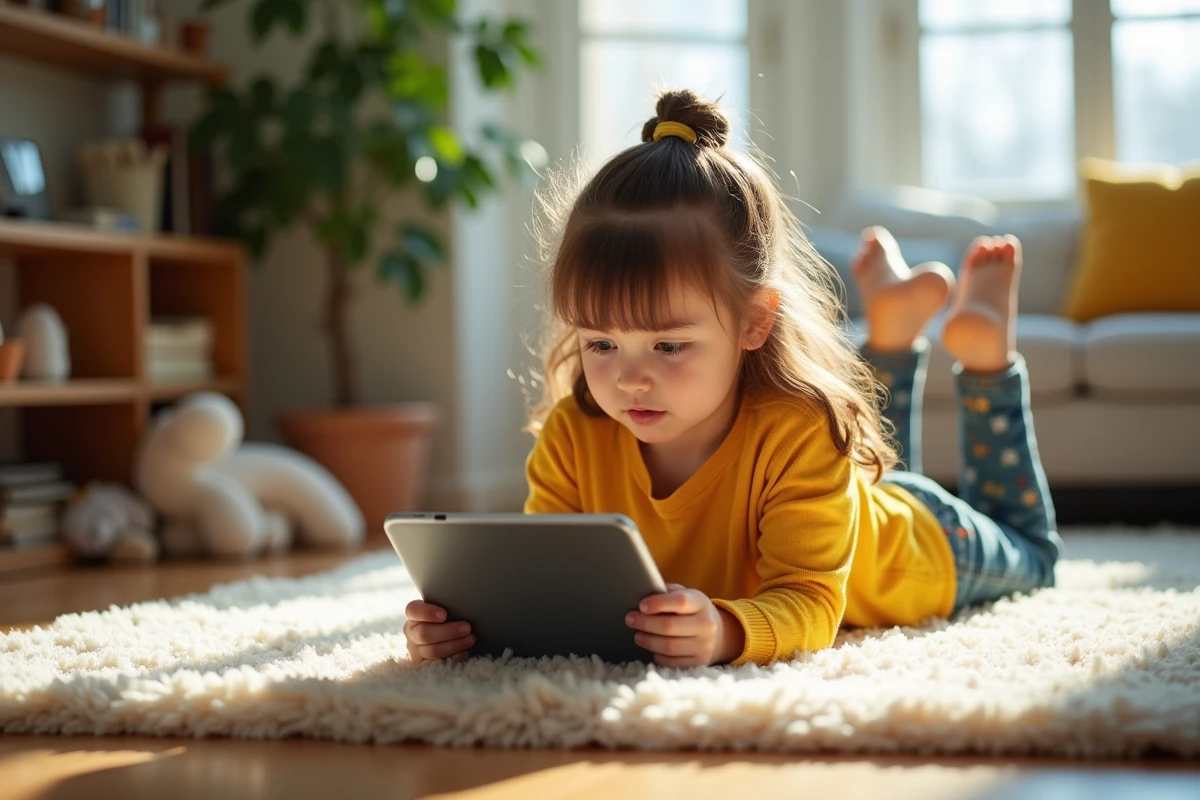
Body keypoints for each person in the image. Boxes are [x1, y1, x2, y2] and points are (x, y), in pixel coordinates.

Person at [403, 89, 1065, 668]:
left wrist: (726, 630)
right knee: (867, 465)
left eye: (667, 344)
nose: (630, 379)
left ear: (753, 324)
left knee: (1033, 555)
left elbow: (810, 603)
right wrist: (469, 627)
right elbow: (546, 581)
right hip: (839, 498)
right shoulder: (574, 434)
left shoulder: (801, 430)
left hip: (917, 548)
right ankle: (890, 330)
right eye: (600, 341)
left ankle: (985, 360)